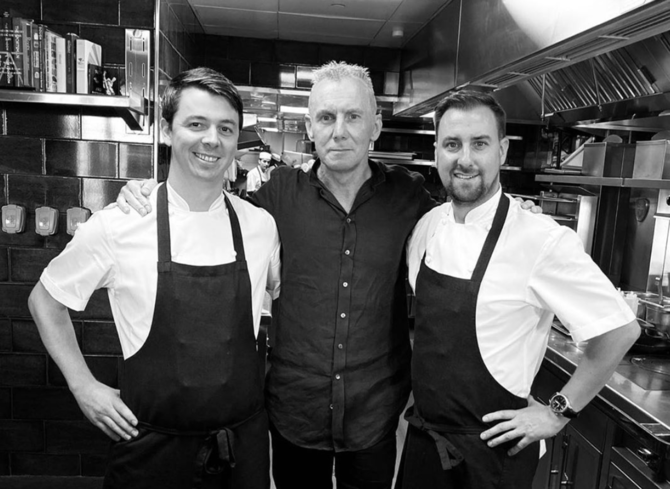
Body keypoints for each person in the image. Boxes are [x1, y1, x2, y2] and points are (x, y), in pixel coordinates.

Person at [115, 63, 540, 489]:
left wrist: (516, 216)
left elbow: (466, 213)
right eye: (326, 117)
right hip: (294, 414)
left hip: (374, 417)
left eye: (353, 116)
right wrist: (149, 195)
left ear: (374, 125)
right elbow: (205, 209)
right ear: (310, 127)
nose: (340, 131)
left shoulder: (409, 197)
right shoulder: (275, 198)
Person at [27, 67, 281, 489]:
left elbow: (284, 292)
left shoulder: (260, 227)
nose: (212, 140)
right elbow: (45, 300)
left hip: (242, 447)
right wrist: (83, 386)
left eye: (226, 128)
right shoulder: (121, 224)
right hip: (151, 453)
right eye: (195, 124)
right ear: (166, 130)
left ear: (238, 140)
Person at [396, 90, 640, 489]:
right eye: (453, 144)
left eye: (480, 144)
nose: (466, 159)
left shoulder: (540, 238)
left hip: (493, 457)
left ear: (503, 150)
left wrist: (556, 412)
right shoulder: (427, 227)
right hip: (424, 443)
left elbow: (619, 330)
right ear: (436, 150)